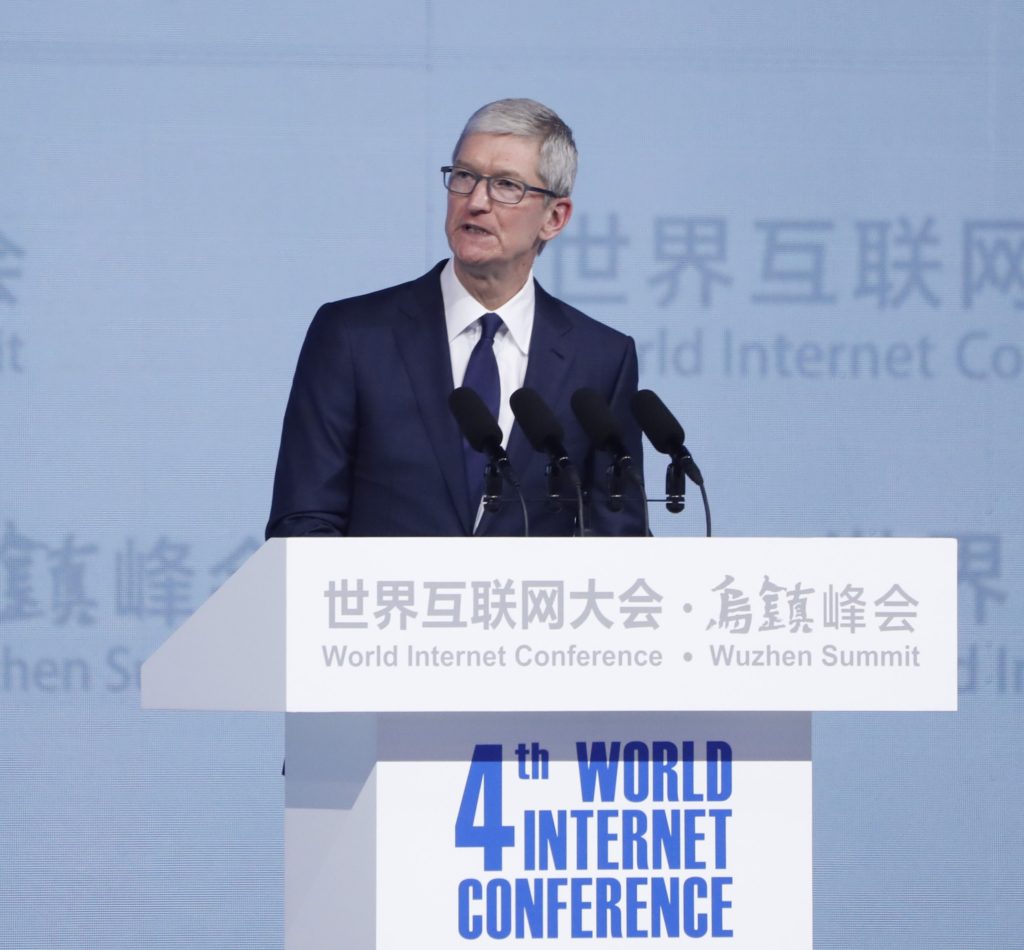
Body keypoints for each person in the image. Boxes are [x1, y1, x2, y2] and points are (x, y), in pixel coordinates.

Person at [266, 98, 645, 539]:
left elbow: (618, 539)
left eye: (506, 185)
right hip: (386, 607)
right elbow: (303, 523)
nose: (476, 201)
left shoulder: (600, 359)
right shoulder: (352, 337)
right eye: (464, 177)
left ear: (554, 217)